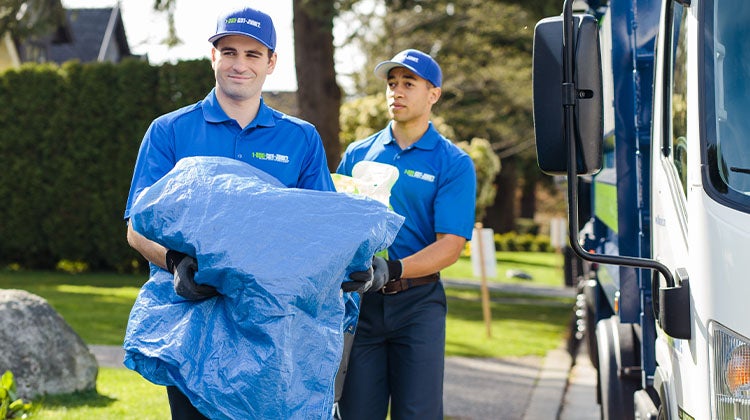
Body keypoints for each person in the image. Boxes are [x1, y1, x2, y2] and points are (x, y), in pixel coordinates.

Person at [123, 6, 375, 419]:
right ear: (213, 57)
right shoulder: (170, 130)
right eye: (230, 52)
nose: (240, 64)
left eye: (253, 54)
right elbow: (137, 225)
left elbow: (322, 228)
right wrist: (174, 263)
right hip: (191, 321)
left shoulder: (300, 139)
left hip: (273, 327)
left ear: (271, 62)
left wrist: (355, 265)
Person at [336, 49, 477, 419]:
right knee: (355, 412)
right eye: (391, 83)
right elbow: (336, 222)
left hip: (419, 306)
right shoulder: (358, 154)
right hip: (361, 306)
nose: (396, 91)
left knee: (418, 413)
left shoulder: (453, 163)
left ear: (434, 94)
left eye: (408, 84)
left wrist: (393, 270)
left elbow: (450, 246)